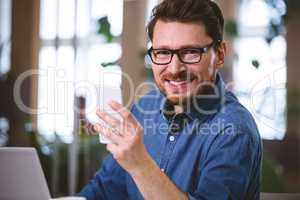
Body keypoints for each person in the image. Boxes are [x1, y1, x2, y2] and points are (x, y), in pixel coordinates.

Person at [78, 0, 262, 199]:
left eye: (191, 52)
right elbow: (103, 191)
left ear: (219, 54)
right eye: (163, 53)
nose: (174, 69)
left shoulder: (234, 130)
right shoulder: (143, 108)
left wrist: (141, 165)